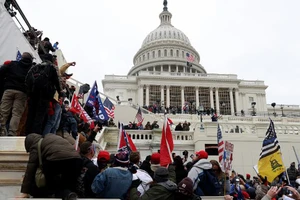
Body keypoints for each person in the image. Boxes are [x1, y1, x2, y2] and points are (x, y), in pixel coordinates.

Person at [20, 133, 82, 199]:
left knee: (52, 185)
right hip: (77, 159)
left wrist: (25, 191)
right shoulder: (52, 137)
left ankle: (60, 194)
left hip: (57, 160)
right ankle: (69, 194)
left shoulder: (35, 144)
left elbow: (31, 168)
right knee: (66, 184)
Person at [25, 54, 62, 135]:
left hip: (33, 95)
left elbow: (27, 80)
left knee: (30, 115)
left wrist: (29, 93)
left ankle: (26, 135)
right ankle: (34, 137)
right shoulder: (51, 68)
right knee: (39, 117)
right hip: (44, 96)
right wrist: (60, 93)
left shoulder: (35, 67)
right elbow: (57, 82)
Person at [0, 52, 33, 136]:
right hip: (22, 93)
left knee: (3, 112)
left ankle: (1, 130)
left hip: (9, 90)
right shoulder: (31, 69)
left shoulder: (13, 64)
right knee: (16, 114)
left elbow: (1, 71)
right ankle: (12, 133)